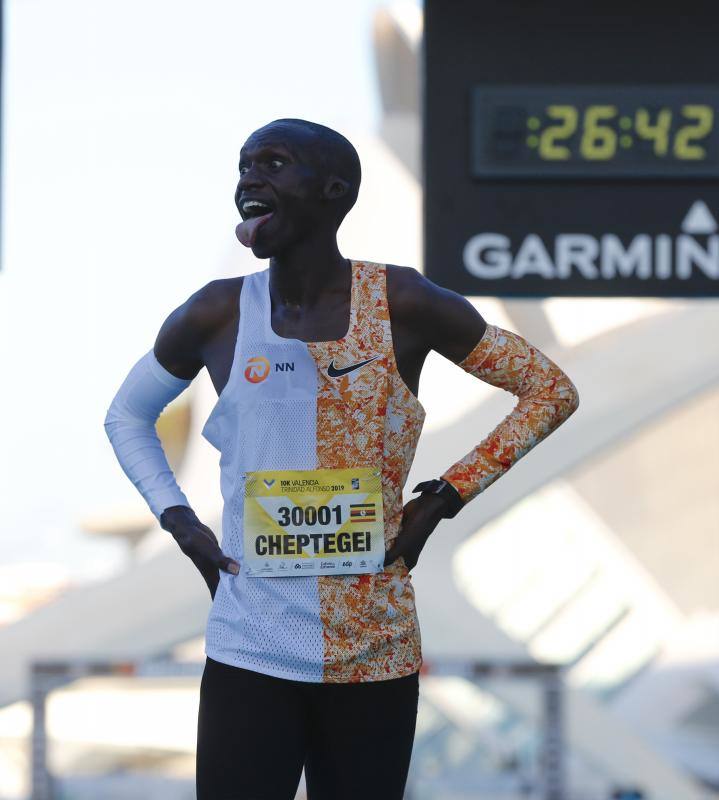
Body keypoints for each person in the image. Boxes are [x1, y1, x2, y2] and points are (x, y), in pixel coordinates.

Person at [104, 118, 580, 800]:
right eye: (243, 165)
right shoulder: (217, 314)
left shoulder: (404, 303)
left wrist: (443, 499)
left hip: (373, 654)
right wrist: (178, 519)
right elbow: (126, 415)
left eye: (272, 163)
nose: (248, 178)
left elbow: (548, 391)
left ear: (332, 192)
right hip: (251, 646)